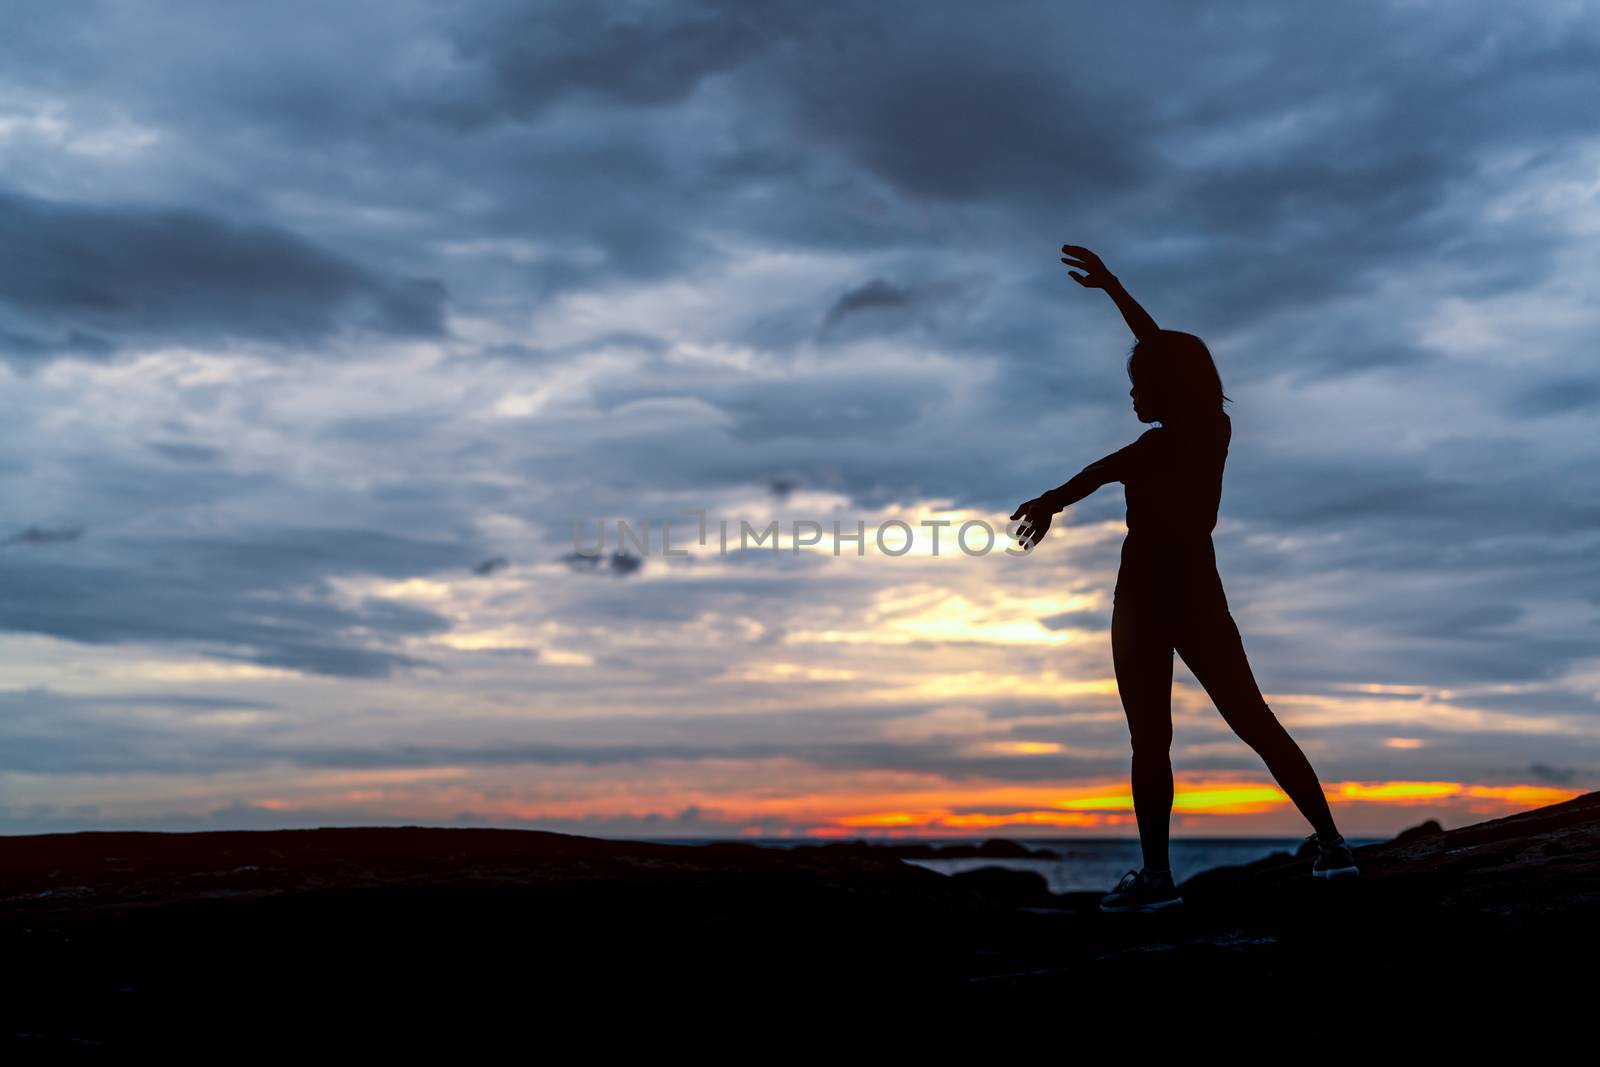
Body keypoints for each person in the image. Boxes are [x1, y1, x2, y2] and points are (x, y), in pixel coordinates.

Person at [1010, 245, 1360, 913]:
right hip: (1179, 594)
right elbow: (1098, 468)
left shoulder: (1190, 433)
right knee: (1223, 724)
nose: (1133, 393)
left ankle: (1166, 876)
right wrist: (1051, 500)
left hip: (1153, 597)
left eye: (1141, 384)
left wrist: (1114, 288)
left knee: (1177, 734)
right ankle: (1326, 845)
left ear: (1170, 385)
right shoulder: (1201, 433)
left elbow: (1103, 456)